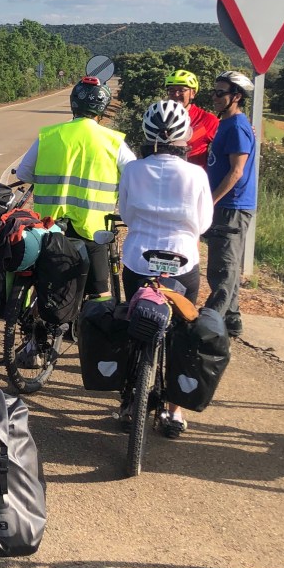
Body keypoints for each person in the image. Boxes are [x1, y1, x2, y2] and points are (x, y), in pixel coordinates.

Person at [118, 99, 213, 437]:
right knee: (181, 332)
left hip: (138, 259)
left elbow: (126, 214)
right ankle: (174, 411)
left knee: (136, 323)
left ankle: (130, 400)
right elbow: (203, 223)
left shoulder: (133, 170)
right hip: (182, 261)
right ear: (184, 135)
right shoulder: (197, 174)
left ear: (147, 133)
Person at [15, 76, 136, 299]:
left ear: (73, 103)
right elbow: (135, 176)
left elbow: (23, 173)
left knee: (42, 281)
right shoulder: (114, 141)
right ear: (102, 108)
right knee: (100, 291)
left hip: (49, 226)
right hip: (93, 228)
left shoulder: (49, 135)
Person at [204, 70, 257, 338]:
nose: (214, 97)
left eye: (220, 93)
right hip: (226, 205)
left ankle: (210, 327)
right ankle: (231, 319)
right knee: (227, 265)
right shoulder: (226, 123)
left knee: (222, 268)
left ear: (236, 96)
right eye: (213, 91)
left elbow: (236, 171)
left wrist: (210, 202)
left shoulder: (236, 127)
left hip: (231, 206)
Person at [164, 69, 218, 169]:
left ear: (192, 93)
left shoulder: (207, 119)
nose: (176, 94)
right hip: (165, 174)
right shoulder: (160, 117)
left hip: (194, 176)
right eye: (171, 90)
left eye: (181, 90)